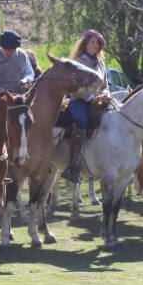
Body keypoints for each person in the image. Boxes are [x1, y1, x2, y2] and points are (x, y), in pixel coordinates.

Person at [60, 30, 109, 183]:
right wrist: (91, 97)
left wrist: (106, 94)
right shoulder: (78, 62)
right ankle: (73, 166)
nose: (95, 45)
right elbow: (74, 86)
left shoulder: (100, 63)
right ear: (85, 44)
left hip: (100, 101)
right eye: (93, 42)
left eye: (98, 43)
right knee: (81, 121)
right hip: (79, 101)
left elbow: (106, 84)